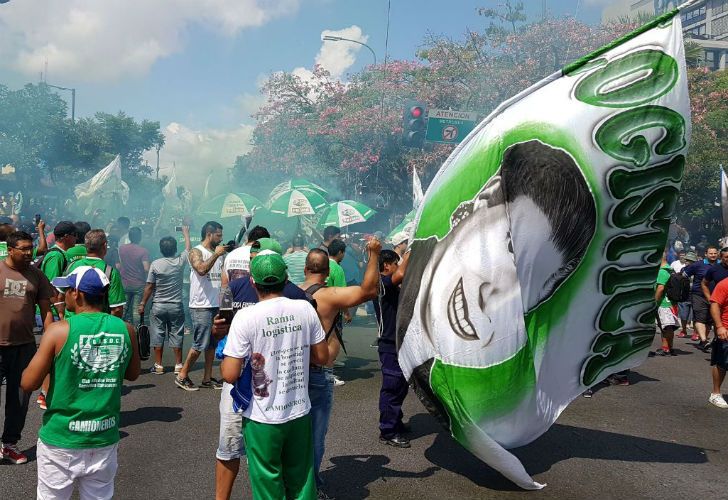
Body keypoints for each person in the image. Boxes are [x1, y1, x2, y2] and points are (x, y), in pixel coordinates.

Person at [21, 266, 140, 498]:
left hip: (61, 439)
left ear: (77, 294)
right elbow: (133, 374)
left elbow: (28, 383)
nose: (63, 295)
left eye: (66, 290)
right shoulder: (126, 329)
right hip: (103, 437)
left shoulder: (58, 331)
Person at [221, 252, 328, 500]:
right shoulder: (304, 308)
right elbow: (323, 357)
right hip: (299, 411)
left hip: (262, 417)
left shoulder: (246, 317)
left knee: (268, 486)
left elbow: (229, 374)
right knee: (301, 482)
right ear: (286, 278)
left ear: (252, 282)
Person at [300, 240, 381, 495]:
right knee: (314, 438)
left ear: (305, 269)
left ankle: (293, 486)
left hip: (290, 372)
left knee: (290, 435)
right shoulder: (328, 295)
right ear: (327, 272)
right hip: (316, 374)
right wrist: (374, 254)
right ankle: (310, 489)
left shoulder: (288, 292)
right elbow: (369, 291)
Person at [0, 231, 54, 464]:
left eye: (30, 248)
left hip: (24, 347)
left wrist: (51, 341)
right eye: (22, 248)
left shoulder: (37, 276)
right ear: (10, 249)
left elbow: (46, 310)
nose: (28, 252)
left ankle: (9, 444)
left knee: (20, 399)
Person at [175, 221, 226, 391]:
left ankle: (207, 378)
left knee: (212, 343)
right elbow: (201, 270)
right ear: (209, 234)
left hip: (215, 304)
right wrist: (217, 255)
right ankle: (182, 375)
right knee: (199, 343)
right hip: (201, 306)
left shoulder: (216, 252)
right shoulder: (196, 251)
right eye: (218, 235)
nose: (221, 238)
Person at [138, 227, 192, 375]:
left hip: (159, 305)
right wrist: (186, 233)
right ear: (175, 249)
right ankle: (178, 364)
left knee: (158, 333)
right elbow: (188, 248)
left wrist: (142, 303)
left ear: (161, 250)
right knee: (177, 333)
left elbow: (149, 286)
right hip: (175, 305)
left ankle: (158, 365)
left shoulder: (156, 264)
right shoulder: (180, 261)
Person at [374, 249, 411, 448]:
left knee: (401, 386)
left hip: (399, 342)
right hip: (389, 344)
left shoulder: (387, 282)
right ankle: (388, 431)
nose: (397, 266)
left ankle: (395, 421)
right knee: (392, 388)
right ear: (387, 265)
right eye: (395, 263)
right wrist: (411, 250)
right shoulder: (379, 283)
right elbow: (402, 274)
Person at [64, 230, 126, 319]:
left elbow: (60, 296)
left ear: (86, 246)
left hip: (71, 326)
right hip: (98, 327)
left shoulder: (71, 267)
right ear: (105, 246)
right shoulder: (110, 272)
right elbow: (116, 309)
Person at [40, 221, 78, 319]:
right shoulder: (56, 256)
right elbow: (51, 286)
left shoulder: (60, 254)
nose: (76, 238)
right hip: (52, 312)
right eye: (74, 235)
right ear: (66, 237)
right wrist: (60, 314)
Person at [685, 246, 719, 350]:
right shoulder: (697, 265)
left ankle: (703, 340)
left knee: (709, 320)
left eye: (714, 253)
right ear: (706, 254)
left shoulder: (721, 265)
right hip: (699, 295)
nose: (713, 255)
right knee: (700, 317)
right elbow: (684, 274)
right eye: (711, 253)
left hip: (716, 297)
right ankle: (704, 340)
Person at [117, 227, 150, 326]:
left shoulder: (122, 248)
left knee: (124, 309)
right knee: (136, 310)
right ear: (139, 237)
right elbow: (146, 268)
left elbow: (120, 264)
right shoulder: (143, 251)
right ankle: (137, 333)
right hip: (138, 284)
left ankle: (119, 329)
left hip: (125, 282)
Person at [709, 275, 728, 408]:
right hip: (726, 329)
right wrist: (720, 326)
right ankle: (715, 393)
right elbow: (715, 305)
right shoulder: (724, 284)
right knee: (722, 363)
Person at [655, 251, 679, 356]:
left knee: (665, 327)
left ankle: (666, 348)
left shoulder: (662, 272)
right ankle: (670, 347)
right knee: (669, 327)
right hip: (671, 303)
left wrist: (654, 301)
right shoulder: (671, 270)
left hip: (664, 303)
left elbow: (660, 288)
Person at [672, 250, 694, 338]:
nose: (688, 262)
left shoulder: (699, 269)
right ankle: (684, 330)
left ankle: (696, 332)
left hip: (695, 294)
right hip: (684, 294)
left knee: (695, 314)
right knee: (683, 314)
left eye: (690, 260)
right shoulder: (683, 269)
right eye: (687, 260)